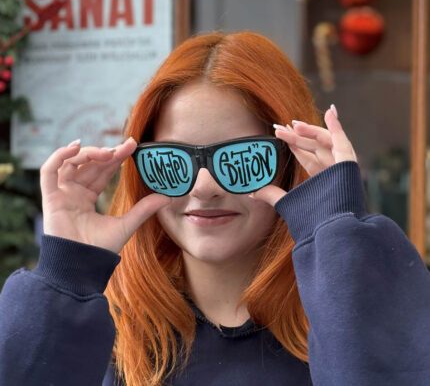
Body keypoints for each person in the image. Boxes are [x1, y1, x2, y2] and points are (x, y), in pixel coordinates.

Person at [1, 31, 430, 386]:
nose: (204, 188)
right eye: (171, 162)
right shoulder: (105, 331)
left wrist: (341, 240)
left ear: (290, 166)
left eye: (241, 160)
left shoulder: (339, 324)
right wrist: (67, 273)